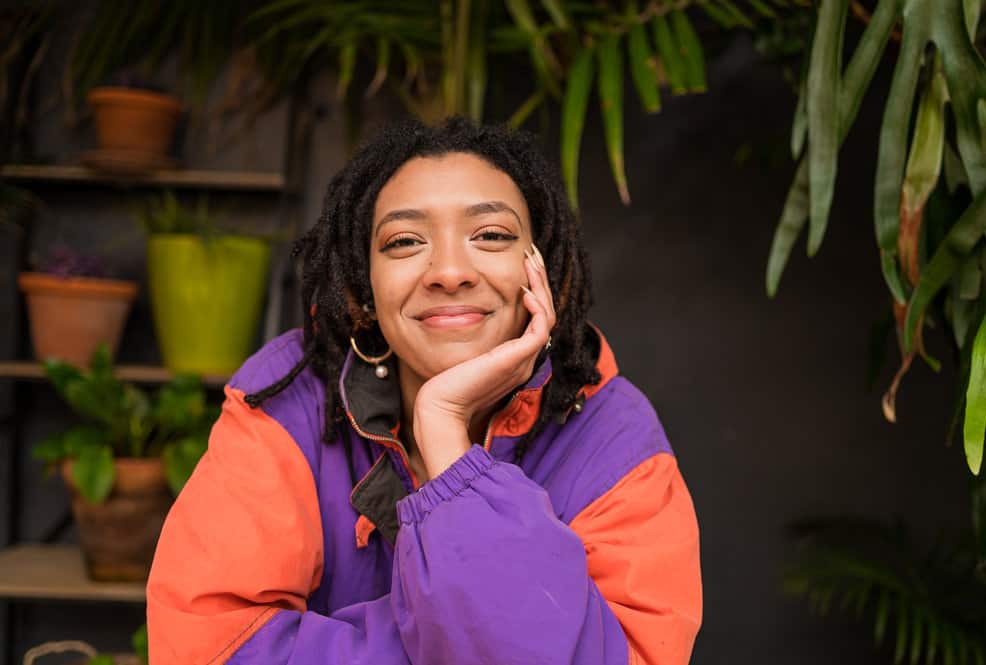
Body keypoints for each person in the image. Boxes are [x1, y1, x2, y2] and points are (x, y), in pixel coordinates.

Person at [146, 116, 701, 664]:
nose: (449, 271)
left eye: (491, 235)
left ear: (545, 272)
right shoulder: (289, 398)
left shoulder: (612, 432)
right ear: (364, 290)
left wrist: (444, 430)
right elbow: (209, 646)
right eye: (406, 241)